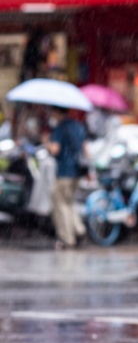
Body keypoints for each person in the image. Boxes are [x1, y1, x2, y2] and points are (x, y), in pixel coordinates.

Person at [43, 106, 87, 250]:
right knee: (69, 202)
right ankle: (79, 229)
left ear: (57, 112)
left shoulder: (60, 128)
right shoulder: (79, 126)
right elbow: (86, 150)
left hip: (64, 171)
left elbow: (55, 150)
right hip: (77, 171)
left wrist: (46, 142)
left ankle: (67, 238)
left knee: (59, 204)